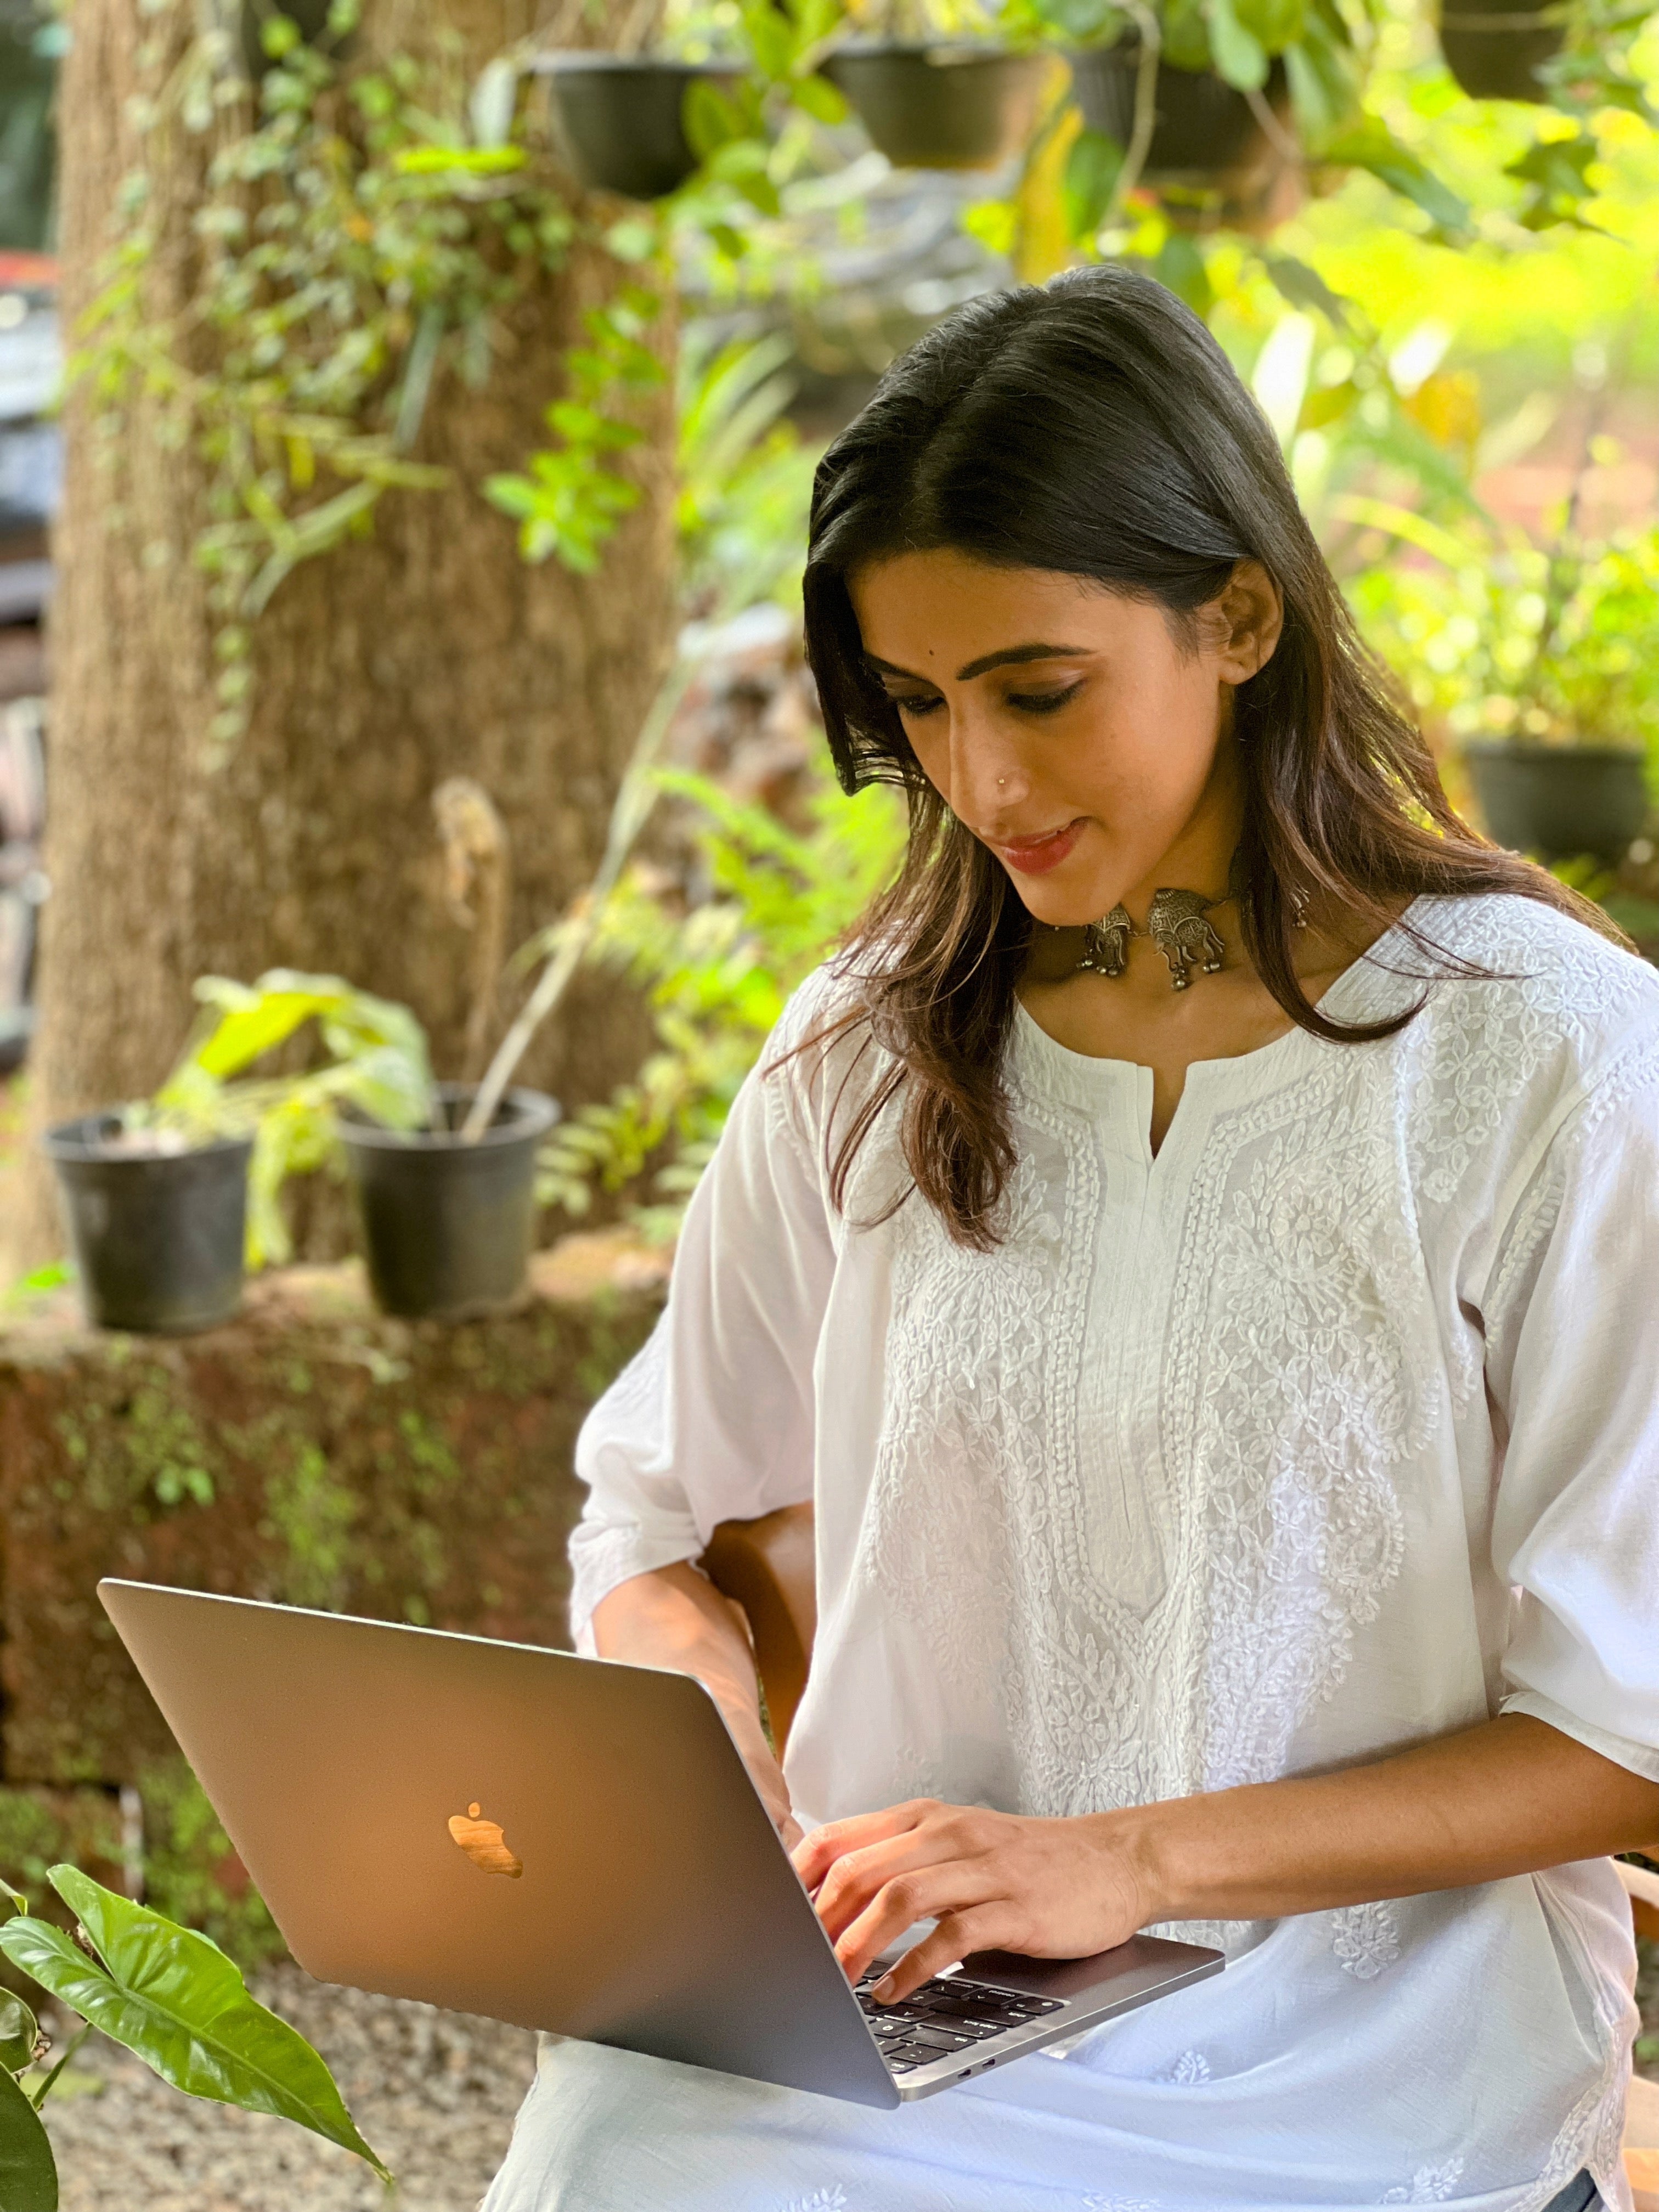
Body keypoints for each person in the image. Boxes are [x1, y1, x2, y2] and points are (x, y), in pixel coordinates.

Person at [483, 266, 1659, 2212]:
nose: (984, 785)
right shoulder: (864, 1051)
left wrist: (1125, 1859)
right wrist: (711, 1764)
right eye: (920, 710)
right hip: (914, 2009)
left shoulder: (1551, 1066)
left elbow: (1629, 1736)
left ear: (1241, 617)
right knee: (621, 2165)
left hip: (1371, 2053)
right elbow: (656, 1526)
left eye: (1038, 690)